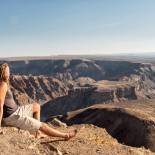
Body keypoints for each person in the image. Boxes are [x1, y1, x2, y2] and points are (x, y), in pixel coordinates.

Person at [0, 63, 77, 140]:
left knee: (36, 106)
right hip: (13, 116)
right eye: (8, 71)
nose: (9, 73)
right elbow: (0, 106)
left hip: (17, 110)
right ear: (3, 73)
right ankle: (66, 136)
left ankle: (38, 133)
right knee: (42, 125)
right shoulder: (3, 85)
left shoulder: (3, 83)